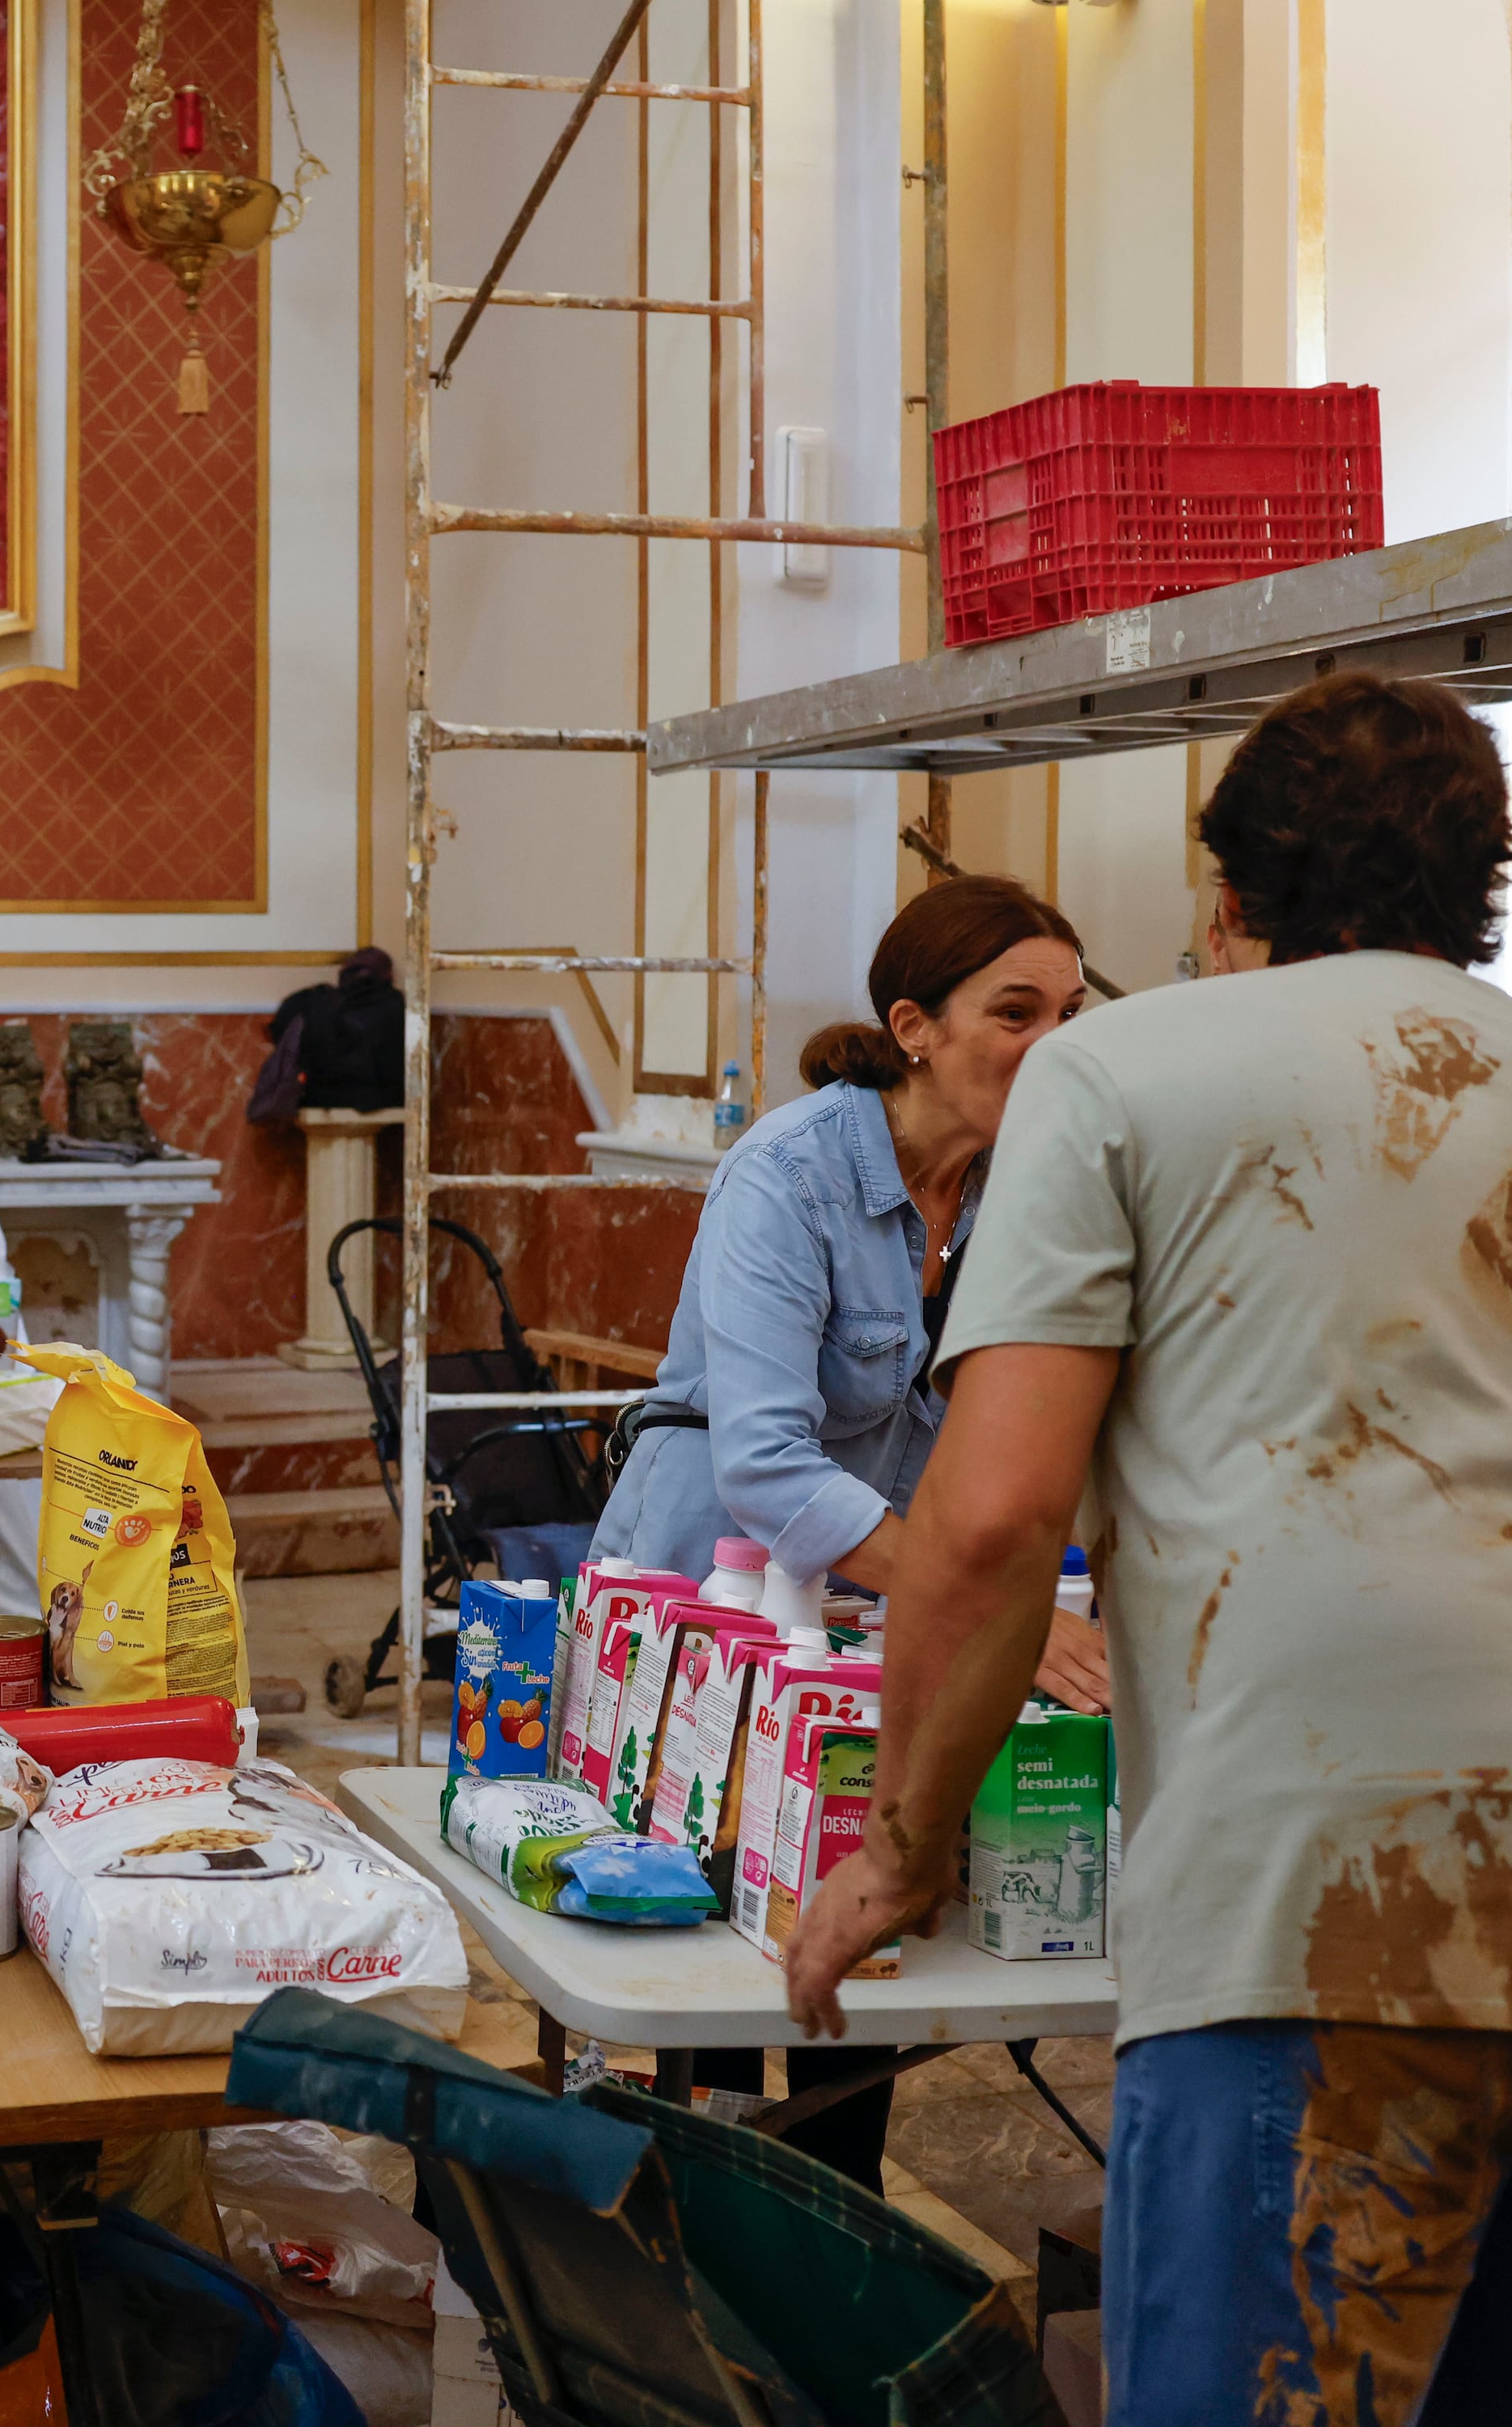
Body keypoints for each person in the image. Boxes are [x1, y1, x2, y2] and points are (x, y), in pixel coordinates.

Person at [787, 672, 1512, 2421]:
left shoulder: (1113, 1067)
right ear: (1484, 882)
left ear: (1227, 890)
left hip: (1333, 1882)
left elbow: (995, 1509)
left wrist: (898, 1847)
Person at [589, 871, 1104, 2182]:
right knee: (705, 1942)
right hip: (707, 1585)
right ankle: (693, 2222)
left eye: (1072, 1011)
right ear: (915, 1026)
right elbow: (766, 1466)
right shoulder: (790, 1173)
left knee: (849, 1923)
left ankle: (832, 2215)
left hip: (876, 1599)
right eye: (1015, 1009)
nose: (1051, 1042)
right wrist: (990, 1608)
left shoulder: (1025, 1192)